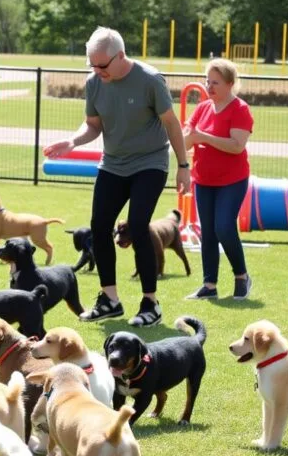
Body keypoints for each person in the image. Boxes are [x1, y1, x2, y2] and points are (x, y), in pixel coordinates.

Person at [42, 26, 191, 328]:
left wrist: (183, 165)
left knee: (138, 225)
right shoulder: (94, 82)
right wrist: (73, 141)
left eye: (102, 65)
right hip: (113, 163)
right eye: (92, 65)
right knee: (99, 226)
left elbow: (172, 124)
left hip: (150, 162)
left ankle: (151, 303)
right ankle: (110, 299)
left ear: (120, 56)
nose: (97, 71)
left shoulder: (150, 80)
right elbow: (93, 125)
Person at [182, 59, 254, 301]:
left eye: (215, 82)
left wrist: (203, 136)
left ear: (230, 84)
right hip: (203, 178)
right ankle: (209, 285)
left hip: (232, 180)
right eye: (207, 82)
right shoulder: (202, 108)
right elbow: (186, 139)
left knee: (224, 227)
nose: (209, 87)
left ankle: (242, 277)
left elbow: (236, 146)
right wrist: (189, 140)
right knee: (209, 232)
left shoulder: (240, 109)